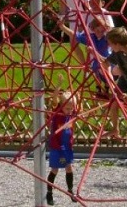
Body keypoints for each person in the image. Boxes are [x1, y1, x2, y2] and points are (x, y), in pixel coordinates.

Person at [57, 17, 112, 99]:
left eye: (102, 31)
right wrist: (62, 26)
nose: (100, 33)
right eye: (98, 31)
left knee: (105, 72)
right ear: (93, 29)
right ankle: (99, 90)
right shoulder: (91, 38)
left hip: (106, 61)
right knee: (96, 72)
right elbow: (74, 34)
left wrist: (108, 30)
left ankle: (108, 89)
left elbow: (115, 36)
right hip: (96, 62)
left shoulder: (106, 38)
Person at [46, 73, 78, 205]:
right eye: (67, 108)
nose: (70, 110)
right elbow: (54, 99)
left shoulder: (71, 114)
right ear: (62, 106)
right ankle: (49, 193)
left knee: (69, 168)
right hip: (57, 147)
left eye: (71, 108)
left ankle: (70, 190)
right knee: (55, 169)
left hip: (67, 146)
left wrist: (76, 95)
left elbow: (77, 103)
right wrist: (58, 85)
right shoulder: (58, 113)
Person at [57, 0, 91, 65]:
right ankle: (85, 65)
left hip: (83, 15)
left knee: (89, 41)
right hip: (72, 17)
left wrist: (86, 19)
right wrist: (61, 17)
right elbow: (62, 2)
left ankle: (93, 63)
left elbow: (86, 2)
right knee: (73, 43)